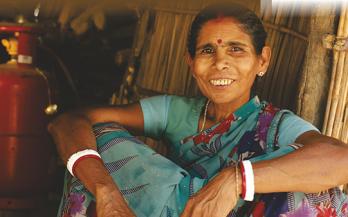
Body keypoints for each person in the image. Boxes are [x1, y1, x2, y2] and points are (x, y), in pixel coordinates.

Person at [48, 3, 348, 217]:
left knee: (318, 193)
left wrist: (233, 181)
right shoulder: (173, 112)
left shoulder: (275, 125)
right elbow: (68, 122)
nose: (220, 63)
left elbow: (341, 159)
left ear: (263, 61)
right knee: (93, 143)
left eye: (236, 49)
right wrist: (106, 191)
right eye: (208, 50)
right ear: (190, 62)